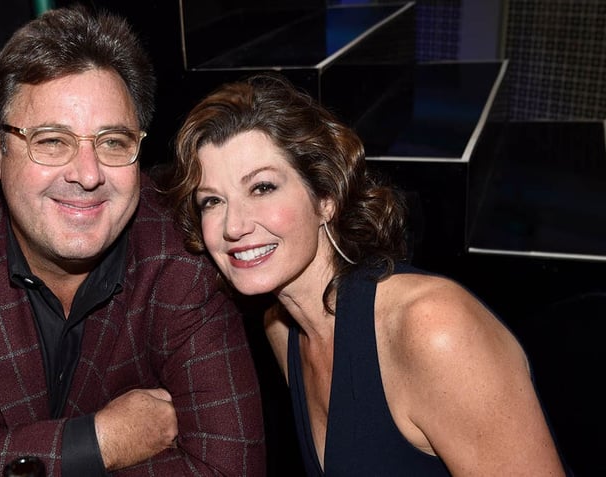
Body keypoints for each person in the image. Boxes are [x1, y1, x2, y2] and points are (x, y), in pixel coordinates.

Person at [0, 5, 266, 476]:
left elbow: (230, 469)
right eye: (51, 141)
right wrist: (94, 443)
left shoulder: (187, 255)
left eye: (112, 141)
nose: (88, 175)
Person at [160, 72, 570, 476]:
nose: (233, 226)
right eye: (212, 201)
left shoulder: (433, 328)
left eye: (262, 188)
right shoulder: (281, 330)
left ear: (326, 197)